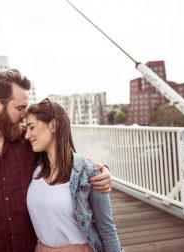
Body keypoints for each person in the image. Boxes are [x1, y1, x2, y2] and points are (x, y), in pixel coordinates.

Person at [0, 69, 113, 252]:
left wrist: (101, 170)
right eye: (19, 108)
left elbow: (65, 158)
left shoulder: (29, 140)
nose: (24, 115)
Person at [25, 98, 122, 252]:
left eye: (31, 127)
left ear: (53, 125)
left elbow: (107, 230)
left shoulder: (89, 172)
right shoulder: (32, 168)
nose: (27, 135)